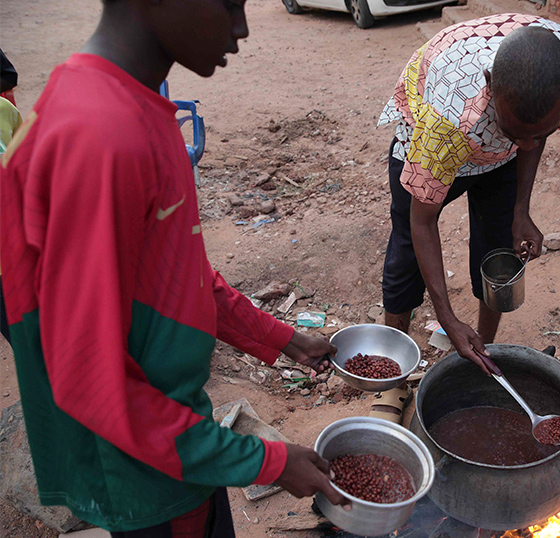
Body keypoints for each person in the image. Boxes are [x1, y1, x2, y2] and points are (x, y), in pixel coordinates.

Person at [0, 1, 347, 536]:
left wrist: (283, 339)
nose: (242, 28)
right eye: (229, 4)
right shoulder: (100, 137)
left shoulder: (141, 107)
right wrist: (265, 461)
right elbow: (89, 379)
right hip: (141, 467)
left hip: (180, 438)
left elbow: (174, 277)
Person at [377, 14, 560, 388]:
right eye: (514, 132)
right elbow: (422, 221)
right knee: (406, 255)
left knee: (497, 249)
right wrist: (447, 318)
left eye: (537, 134)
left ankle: (482, 355)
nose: (526, 145)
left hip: (495, 157)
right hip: (437, 140)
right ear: (490, 85)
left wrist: (520, 210)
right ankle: (392, 372)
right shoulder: (446, 116)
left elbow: (530, 135)